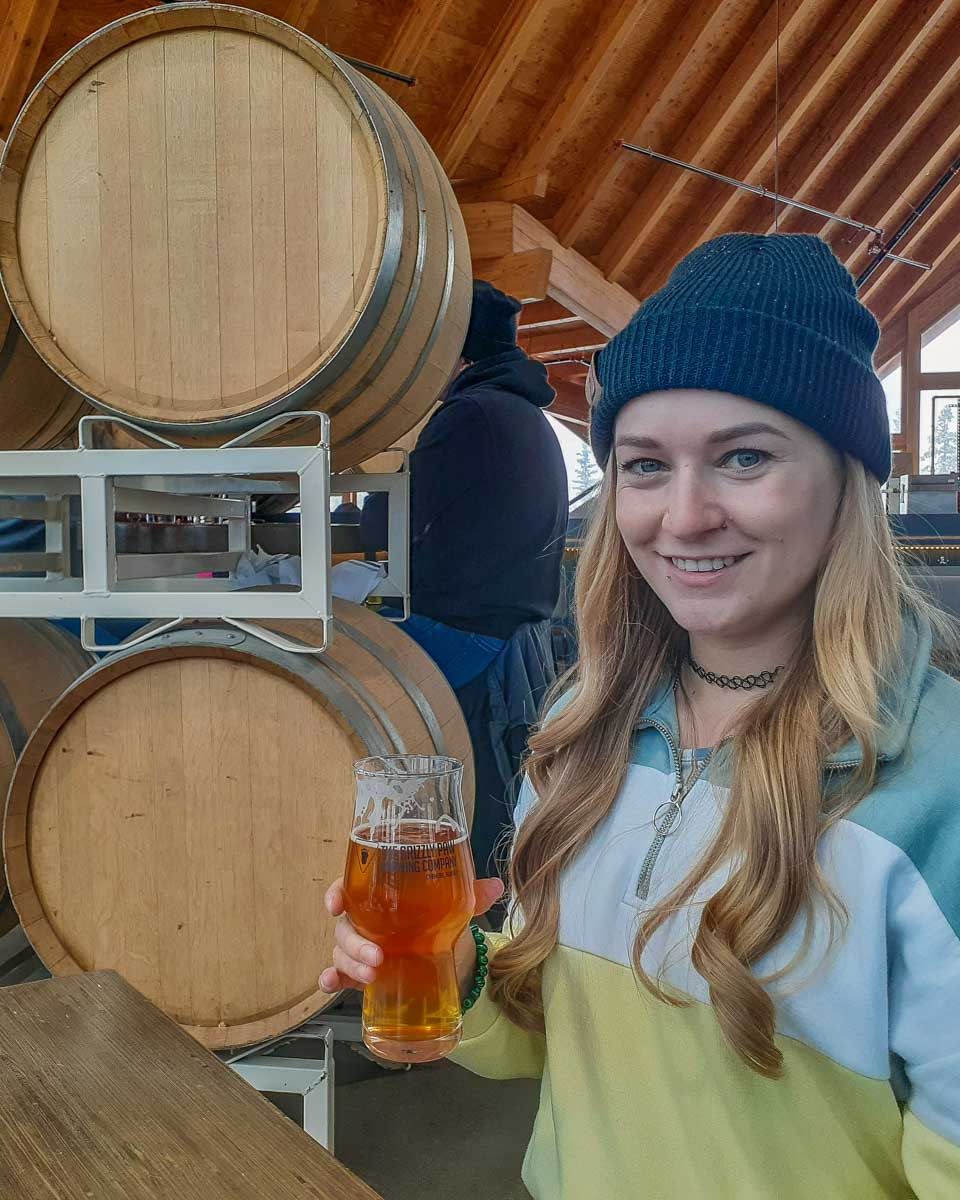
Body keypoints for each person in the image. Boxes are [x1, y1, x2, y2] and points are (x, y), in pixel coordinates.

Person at [322, 233, 960, 1197]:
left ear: (847, 481)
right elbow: (546, 1044)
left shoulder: (933, 781)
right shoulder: (585, 729)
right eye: (646, 466)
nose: (683, 516)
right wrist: (453, 970)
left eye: (744, 457)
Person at [361, 280, 568, 880]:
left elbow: (399, 522)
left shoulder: (468, 414)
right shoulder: (521, 414)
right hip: (508, 637)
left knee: (315, 663)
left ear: (454, 352)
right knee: (484, 803)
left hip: (461, 636)